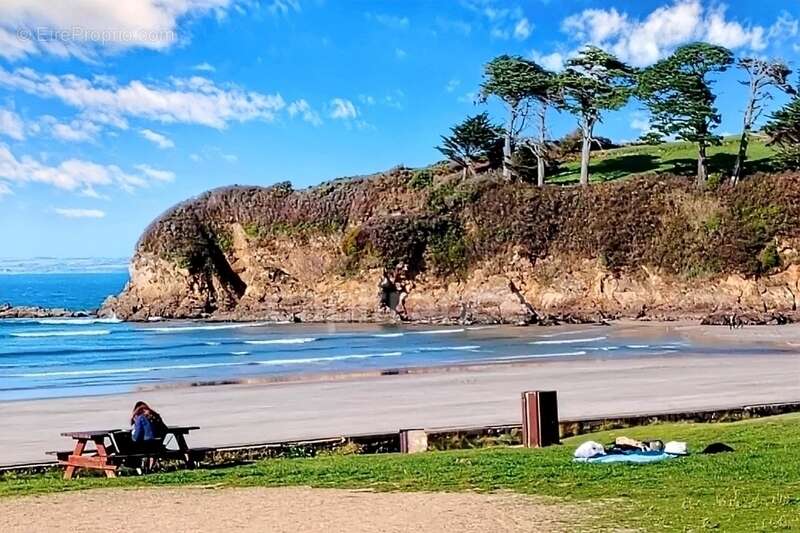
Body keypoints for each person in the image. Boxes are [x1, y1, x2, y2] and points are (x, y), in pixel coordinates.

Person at [130, 401, 167, 471]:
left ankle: (139, 468)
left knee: (130, 449)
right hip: (158, 445)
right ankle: (151, 467)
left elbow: (136, 438)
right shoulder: (155, 416)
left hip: (146, 446)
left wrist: (133, 433)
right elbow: (165, 429)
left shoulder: (140, 417)